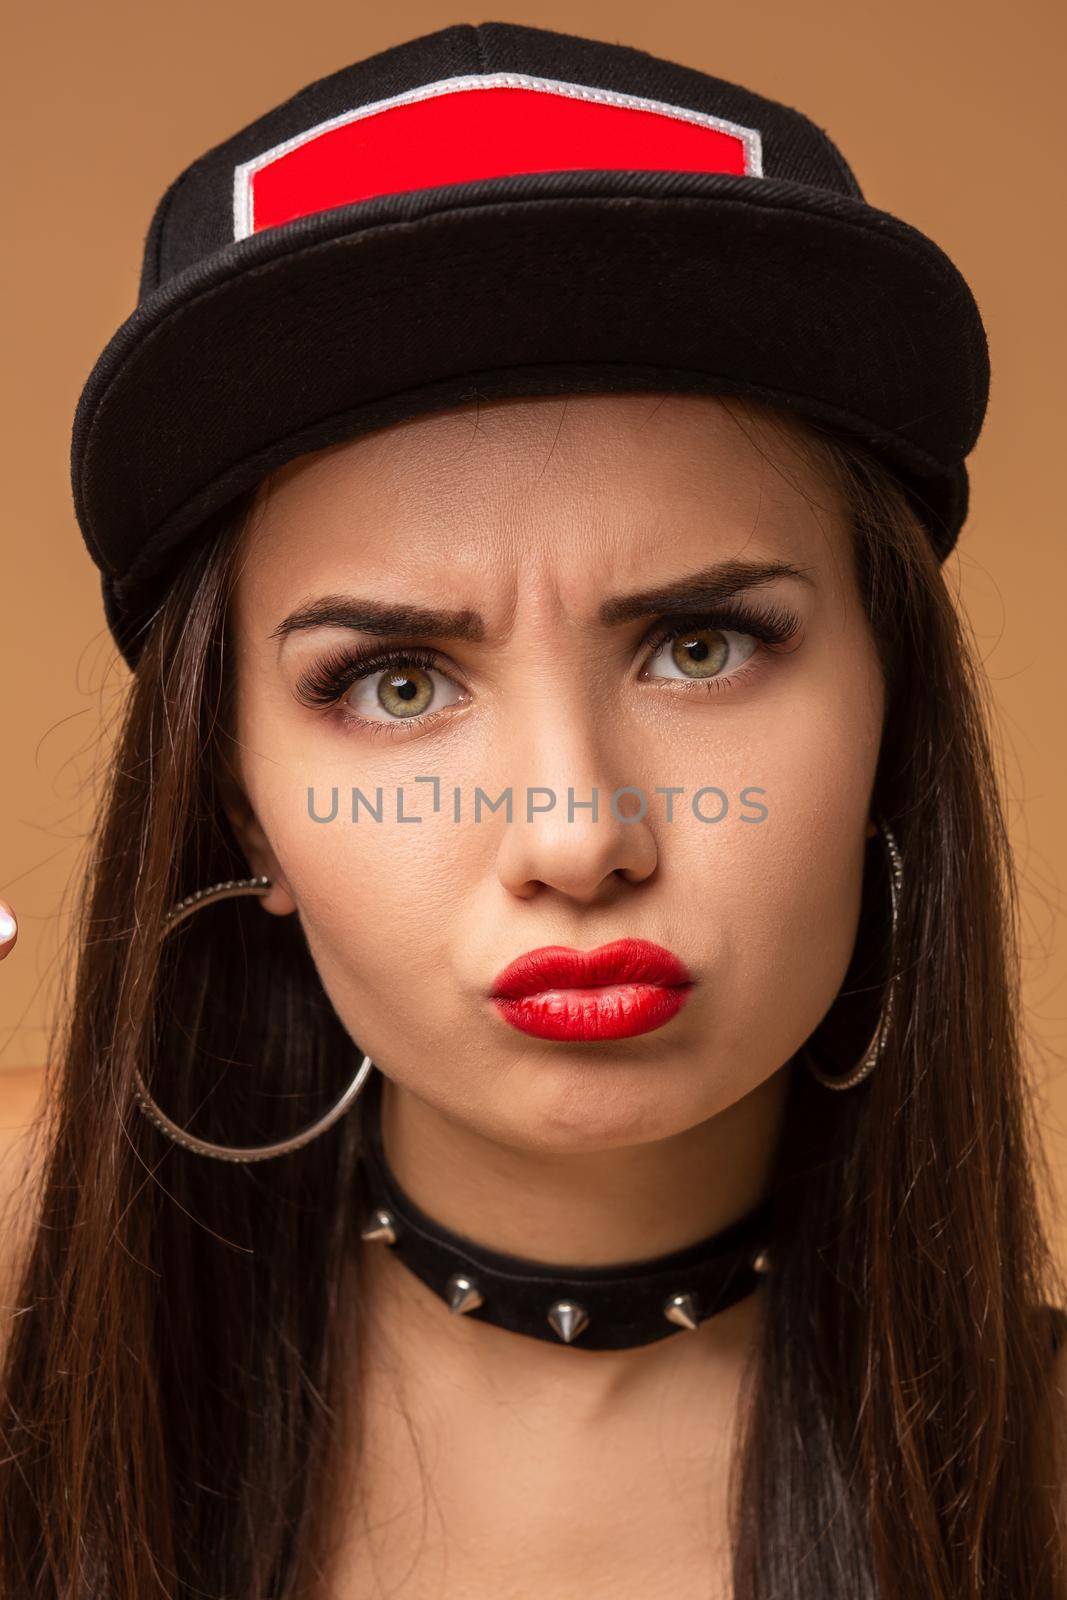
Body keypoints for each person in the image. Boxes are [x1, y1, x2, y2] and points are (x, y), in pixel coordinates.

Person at [1, 20, 1066, 1600]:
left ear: (891, 715)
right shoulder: (31, 1289)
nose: (579, 838)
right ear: (238, 806)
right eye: (398, 685)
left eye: (701, 646)